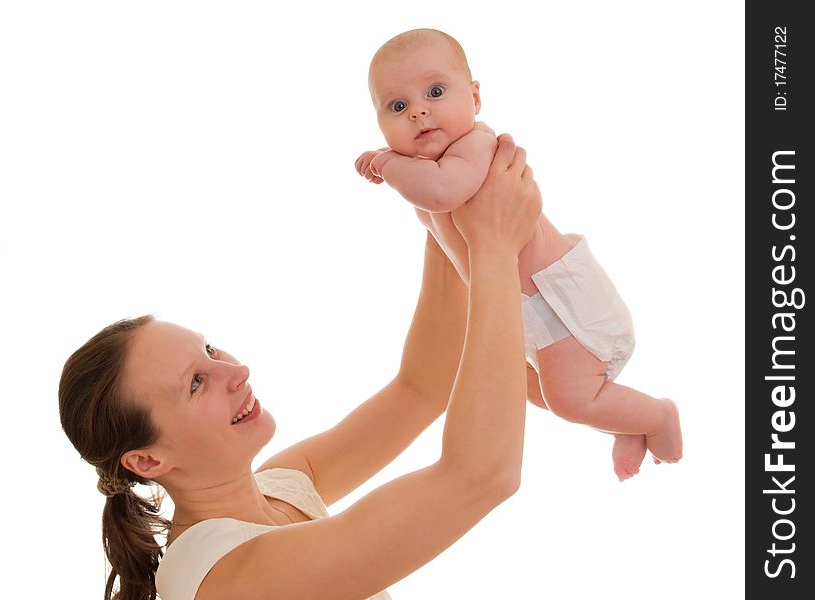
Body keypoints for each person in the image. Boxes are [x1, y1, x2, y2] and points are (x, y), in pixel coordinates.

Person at [59, 135, 542, 600]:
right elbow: (481, 475)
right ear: (147, 461)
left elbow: (423, 386)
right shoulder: (219, 577)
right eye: (197, 383)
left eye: (209, 351)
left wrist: (445, 210)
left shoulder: (283, 486)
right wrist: (492, 247)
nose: (238, 372)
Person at [355, 28, 682, 481]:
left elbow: (441, 192)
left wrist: (388, 163)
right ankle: (621, 422)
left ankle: (658, 416)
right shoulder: (429, 165)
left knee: (569, 398)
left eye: (434, 92)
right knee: (536, 392)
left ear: (474, 97)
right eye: (397, 106)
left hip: (564, 304)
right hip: (530, 314)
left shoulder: (475, 147)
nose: (419, 111)